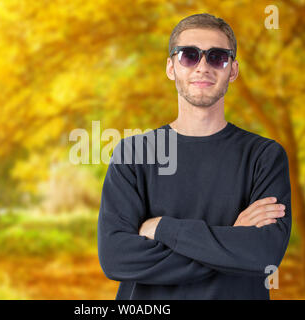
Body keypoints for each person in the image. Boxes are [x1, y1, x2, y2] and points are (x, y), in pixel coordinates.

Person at [97, 13, 292, 300]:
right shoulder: (132, 154)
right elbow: (116, 258)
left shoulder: (265, 156)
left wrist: (163, 228)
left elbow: (263, 254)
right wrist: (230, 245)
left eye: (217, 57)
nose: (203, 67)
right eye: (189, 56)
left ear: (233, 70)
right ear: (171, 67)